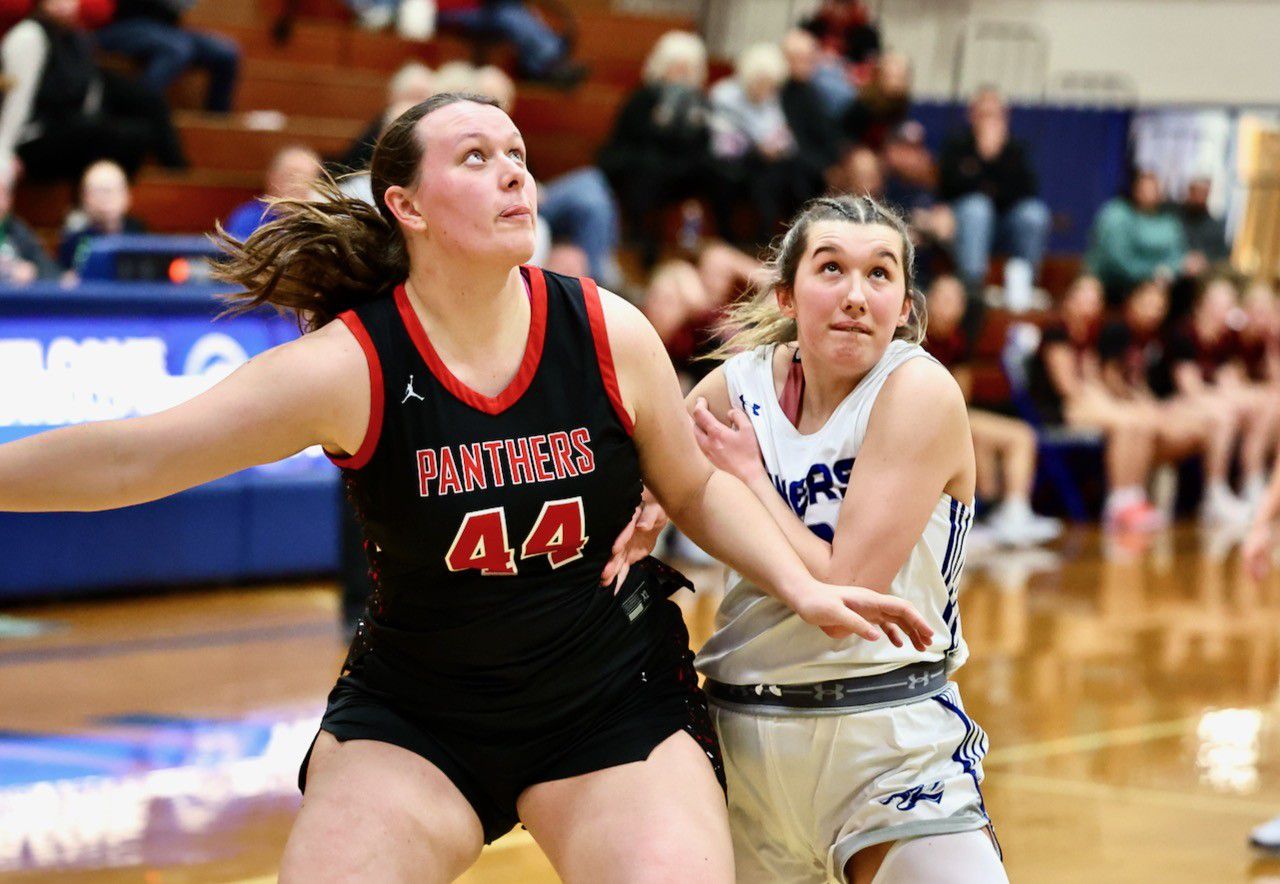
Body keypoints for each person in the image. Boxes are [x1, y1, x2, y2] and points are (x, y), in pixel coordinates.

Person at [0, 92, 933, 881]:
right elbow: (136, 457)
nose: (515, 173)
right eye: (477, 157)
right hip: (421, 714)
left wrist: (801, 582)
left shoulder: (605, 330)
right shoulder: (351, 366)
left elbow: (693, 489)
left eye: (519, 155)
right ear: (404, 204)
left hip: (606, 701)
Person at [680, 194, 1006, 883]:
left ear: (906, 308)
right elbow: (656, 483)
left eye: (880, 274)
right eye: (831, 269)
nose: (857, 295)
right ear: (788, 295)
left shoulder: (917, 390)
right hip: (742, 730)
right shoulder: (736, 387)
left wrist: (751, 480)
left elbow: (844, 592)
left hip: (887, 738)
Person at [925, 274, 1060, 546]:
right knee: (989, 437)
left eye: (956, 301)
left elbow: (960, 397)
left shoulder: (958, 341)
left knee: (1019, 435)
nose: (949, 306)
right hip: (920, 418)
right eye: (943, 298)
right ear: (926, 301)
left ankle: (1011, 512)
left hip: (950, 414)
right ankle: (991, 514)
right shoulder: (912, 336)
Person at [1027, 275, 1164, 531]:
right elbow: (1067, 387)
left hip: (1083, 403)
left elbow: (1093, 379)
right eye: (1084, 297)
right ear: (1068, 300)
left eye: (1095, 299)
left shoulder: (1089, 334)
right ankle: (1117, 501)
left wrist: (1108, 401)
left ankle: (1135, 495)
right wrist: (1103, 404)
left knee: (1139, 420)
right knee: (1123, 423)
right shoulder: (1056, 331)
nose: (1090, 305)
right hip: (1057, 410)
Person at [0, 0, 188, 181]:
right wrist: (5, 153)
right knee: (124, 136)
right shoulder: (28, 36)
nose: (65, 4)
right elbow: (16, 99)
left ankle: (179, 176)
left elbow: (88, 84)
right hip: (35, 136)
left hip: (72, 124)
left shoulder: (75, 35)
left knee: (146, 109)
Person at [938, 87, 1049, 306]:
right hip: (967, 226)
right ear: (971, 116)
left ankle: (1024, 285)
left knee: (1034, 214)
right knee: (978, 208)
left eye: (995, 115)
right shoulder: (957, 145)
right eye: (984, 114)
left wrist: (993, 160)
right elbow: (949, 188)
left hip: (1005, 226)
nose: (990, 121)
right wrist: (983, 159)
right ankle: (973, 286)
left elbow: (1026, 191)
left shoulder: (1014, 150)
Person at [94, 0, 241, 113]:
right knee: (176, 50)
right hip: (121, 25)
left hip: (166, 29)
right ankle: (134, 111)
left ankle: (217, 126)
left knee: (226, 53)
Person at [1085, 169, 1186, 306]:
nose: (1149, 194)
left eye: (1153, 189)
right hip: (1110, 284)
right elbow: (1118, 261)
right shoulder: (1116, 215)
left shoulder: (1170, 223)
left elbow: (1177, 257)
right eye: (1144, 189)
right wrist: (1153, 274)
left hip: (1158, 288)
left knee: (1155, 301)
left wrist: (1166, 273)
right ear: (1135, 189)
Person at [57, 159, 147, 275]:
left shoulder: (141, 236)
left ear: (126, 195)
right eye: (96, 192)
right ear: (84, 198)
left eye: (110, 191)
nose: (104, 199)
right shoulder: (74, 241)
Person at [222, 146, 323, 242]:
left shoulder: (322, 222)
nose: (296, 185)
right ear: (271, 178)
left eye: (305, 178)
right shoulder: (246, 218)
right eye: (290, 177)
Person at [0, 155, 59, 283]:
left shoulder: (16, 229)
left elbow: (50, 270)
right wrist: (7, 271)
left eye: (2, 193)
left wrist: (34, 271)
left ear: (10, 199)